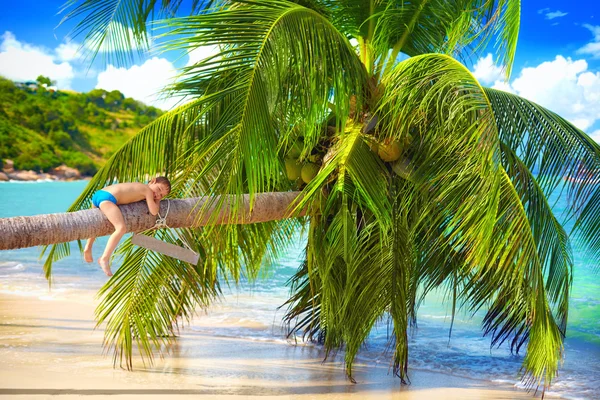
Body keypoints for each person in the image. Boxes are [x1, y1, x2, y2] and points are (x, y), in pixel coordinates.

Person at [83, 176, 171, 276]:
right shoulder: (147, 190)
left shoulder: (139, 187)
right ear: (153, 181)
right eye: (159, 189)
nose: (158, 195)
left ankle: (88, 247)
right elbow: (154, 211)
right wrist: (158, 202)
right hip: (108, 198)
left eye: (161, 195)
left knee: (96, 225)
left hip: (99, 194)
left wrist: (157, 197)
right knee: (121, 228)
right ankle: (104, 258)